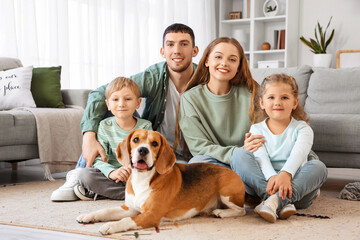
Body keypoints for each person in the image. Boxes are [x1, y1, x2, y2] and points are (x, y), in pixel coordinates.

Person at [51, 23, 199, 201]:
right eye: (170, 44)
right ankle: (79, 175)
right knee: (116, 103)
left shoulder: (204, 79)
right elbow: (100, 93)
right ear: (162, 51)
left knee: (184, 183)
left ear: (195, 50)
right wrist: (88, 136)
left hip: (177, 157)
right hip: (147, 149)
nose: (176, 50)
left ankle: (127, 192)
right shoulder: (154, 77)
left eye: (184, 44)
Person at [234, 74, 328, 223]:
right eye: (271, 97)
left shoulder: (303, 129)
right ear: (262, 102)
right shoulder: (256, 129)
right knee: (239, 155)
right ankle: (275, 200)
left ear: (295, 102)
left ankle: (274, 202)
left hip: (296, 191)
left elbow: (299, 154)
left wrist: (285, 174)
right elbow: (261, 158)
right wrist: (272, 177)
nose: (277, 102)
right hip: (265, 188)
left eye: (284, 98)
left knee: (319, 167)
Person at [177, 37, 264, 176]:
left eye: (232, 59)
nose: (224, 63)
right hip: (215, 162)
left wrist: (242, 155)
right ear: (207, 61)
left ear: (238, 67)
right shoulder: (190, 98)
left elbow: (265, 134)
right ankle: (245, 189)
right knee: (197, 162)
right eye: (218, 57)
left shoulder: (252, 94)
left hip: (248, 161)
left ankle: (244, 189)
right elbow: (198, 147)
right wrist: (237, 152)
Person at [75, 77, 152, 201]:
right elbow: (99, 159)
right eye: (115, 99)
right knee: (85, 175)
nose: (121, 104)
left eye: (128, 99)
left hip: (138, 174)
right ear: (108, 104)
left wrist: (133, 168)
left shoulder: (145, 126)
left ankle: (105, 193)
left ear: (138, 103)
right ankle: (136, 195)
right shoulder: (104, 126)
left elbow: (149, 155)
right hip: (112, 176)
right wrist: (112, 173)